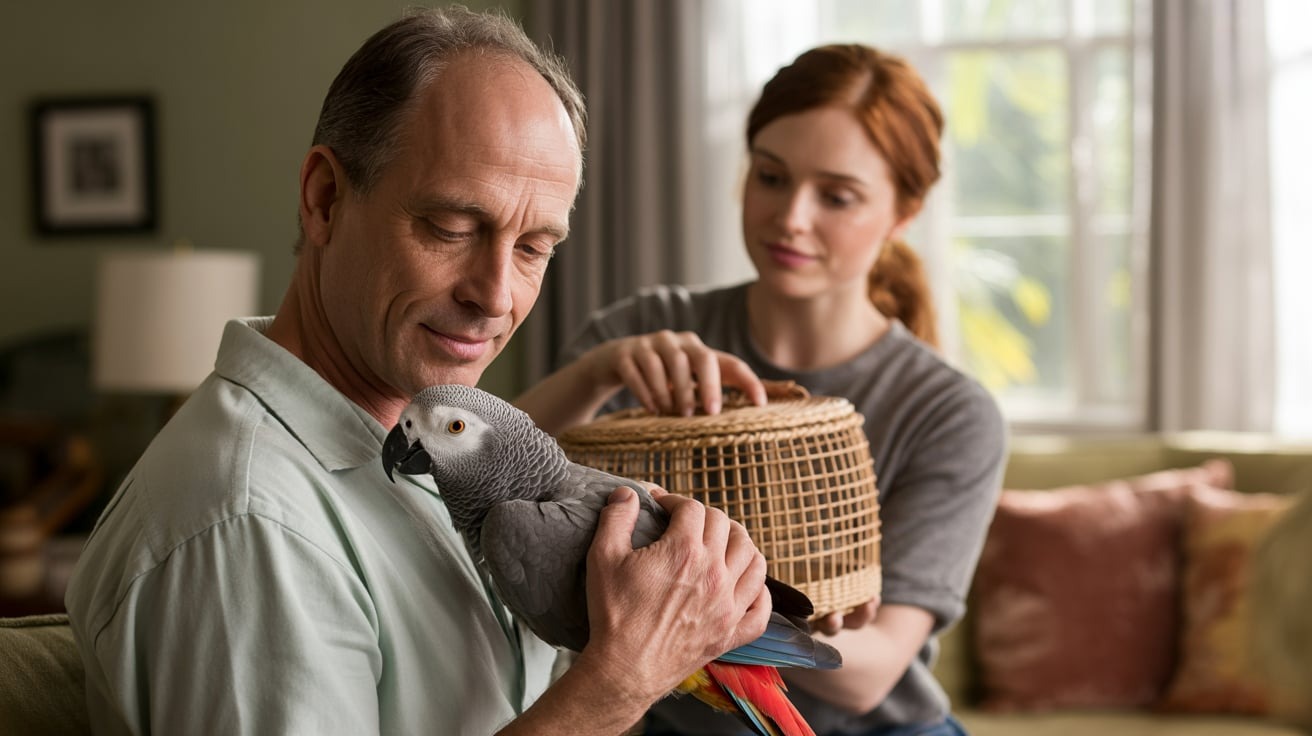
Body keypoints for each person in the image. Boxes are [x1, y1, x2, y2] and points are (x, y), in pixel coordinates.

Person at [64, 7, 772, 736]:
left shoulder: (428, 457)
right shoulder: (252, 530)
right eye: (453, 228)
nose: (495, 295)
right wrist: (620, 681)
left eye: (533, 248)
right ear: (324, 200)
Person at [516, 44, 1007, 735]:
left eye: (837, 196)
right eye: (771, 177)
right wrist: (597, 372)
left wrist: (691, 621)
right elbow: (482, 482)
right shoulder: (641, 335)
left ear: (904, 212)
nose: (791, 217)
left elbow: (871, 674)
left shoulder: (949, 412)